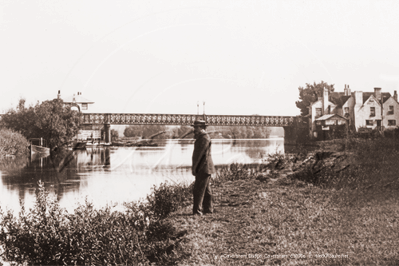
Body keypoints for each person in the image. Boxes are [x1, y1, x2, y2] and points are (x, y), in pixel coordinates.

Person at [191, 119, 216, 215]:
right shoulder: (202, 137)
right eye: (194, 127)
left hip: (203, 167)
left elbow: (200, 155)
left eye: (196, 127)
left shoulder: (204, 138)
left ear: (202, 128)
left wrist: (195, 168)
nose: (194, 129)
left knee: (198, 190)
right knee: (206, 190)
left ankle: (197, 211)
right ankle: (208, 209)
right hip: (205, 167)